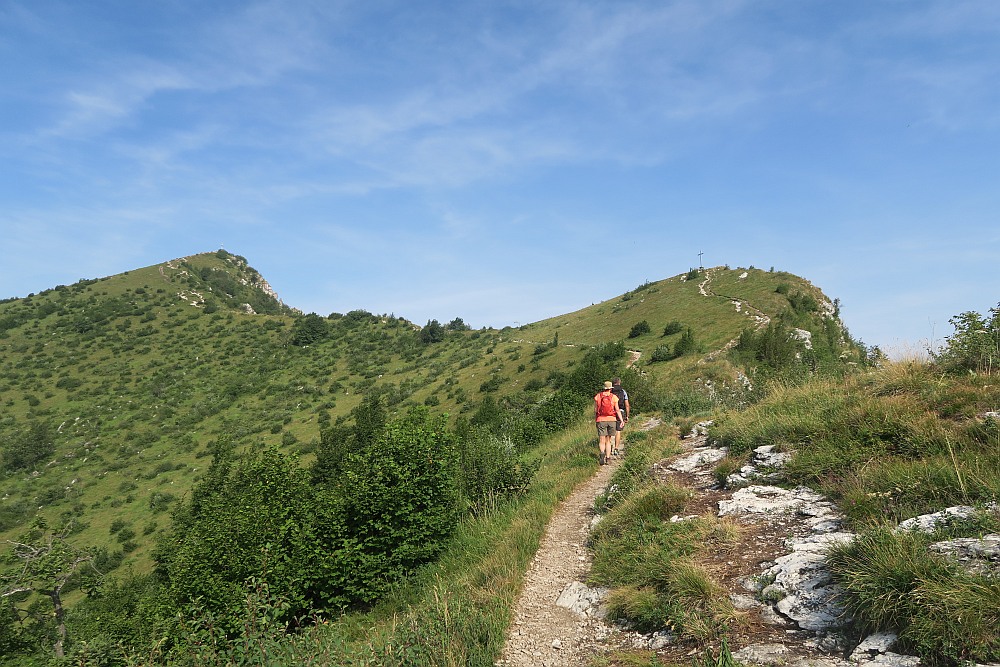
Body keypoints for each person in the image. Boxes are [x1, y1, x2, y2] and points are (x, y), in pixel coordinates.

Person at [594, 380, 624, 465]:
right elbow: (617, 410)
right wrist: (621, 420)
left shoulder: (598, 396)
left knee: (602, 439)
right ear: (610, 388)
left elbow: (596, 410)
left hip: (600, 419)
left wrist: (596, 418)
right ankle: (608, 458)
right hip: (612, 420)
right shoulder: (614, 397)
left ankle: (602, 452)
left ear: (604, 388)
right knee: (608, 440)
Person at [610, 378, 630, 456]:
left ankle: (608, 447)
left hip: (610, 412)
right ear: (619, 383)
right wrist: (627, 416)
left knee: (610, 430)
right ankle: (616, 448)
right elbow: (627, 405)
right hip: (620, 411)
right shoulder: (623, 391)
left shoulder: (609, 391)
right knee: (618, 431)